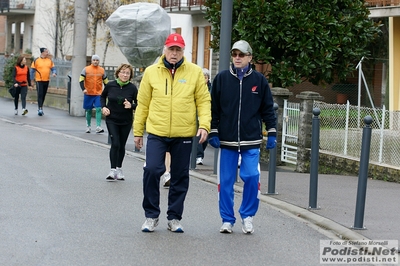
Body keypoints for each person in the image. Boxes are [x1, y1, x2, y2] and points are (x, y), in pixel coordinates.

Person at [133, 33, 211, 233]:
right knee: (151, 169)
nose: (174, 53)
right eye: (171, 49)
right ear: (164, 50)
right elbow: (143, 104)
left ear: (183, 51)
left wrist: (204, 125)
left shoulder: (194, 72)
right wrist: (138, 131)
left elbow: (203, 101)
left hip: (183, 133)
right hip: (157, 131)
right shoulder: (151, 72)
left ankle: (174, 217)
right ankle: (151, 216)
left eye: (178, 50)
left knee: (180, 175)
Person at [208, 40, 277, 234]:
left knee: (252, 176)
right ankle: (227, 219)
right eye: (235, 54)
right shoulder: (222, 79)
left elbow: (267, 109)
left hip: (251, 140)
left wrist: (271, 131)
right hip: (227, 140)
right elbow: (213, 108)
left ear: (250, 58)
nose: (237, 58)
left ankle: (247, 216)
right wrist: (213, 130)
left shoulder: (259, 81)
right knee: (226, 181)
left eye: (241, 55)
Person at [100, 63, 138, 181]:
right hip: (112, 119)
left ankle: (119, 168)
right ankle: (112, 170)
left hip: (126, 120)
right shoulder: (110, 85)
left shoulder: (132, 88)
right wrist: (103, 107)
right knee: (115, 143)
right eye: (123, 72)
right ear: (118, 73)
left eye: (127, 73)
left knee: (121, 145)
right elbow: (102, 97)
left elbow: (138, 103)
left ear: (130, 75)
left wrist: (131, 106)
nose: (125, 75)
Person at [80, 55, 109, 133]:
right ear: (91, 61)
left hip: (98, 93)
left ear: (99, 61)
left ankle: (98, 126)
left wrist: (107, 91)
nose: (95, 61)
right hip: (88, 93)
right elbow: (81, 80)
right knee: (88, 110)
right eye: (94, 60)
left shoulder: (102, 70)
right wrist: (83, 89)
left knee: (99, 108)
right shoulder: (86, 69)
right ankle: (88, 126)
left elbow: (106, 82)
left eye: (97, 60)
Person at [30, 47, 57, 116]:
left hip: (46, 80)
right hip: (39, 80)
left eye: (47, 52)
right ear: (42, 52)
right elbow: (32, 71)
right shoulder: (36, 60)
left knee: (44, 94)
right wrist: (31, 80)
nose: (47, 53)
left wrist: (54, 73)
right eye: (46, 52)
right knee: (40, 93)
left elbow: (53, 68)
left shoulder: (49, 60)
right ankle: (40, 108)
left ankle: (41, 106)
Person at [196, 68, 212, 165]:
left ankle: (199, 155)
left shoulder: (211, 88)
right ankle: (198, 156)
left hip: (207, 117)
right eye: (202, 77)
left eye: (205, 77)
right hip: (197, 117)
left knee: (205, 139)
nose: (203, 79)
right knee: (198, 137)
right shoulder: (197, 87)